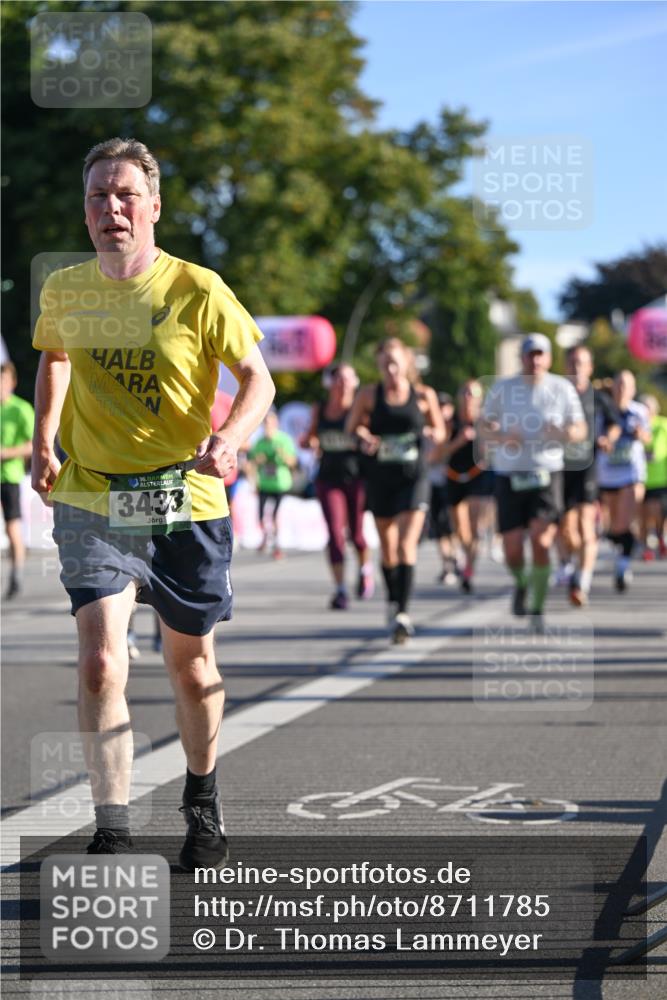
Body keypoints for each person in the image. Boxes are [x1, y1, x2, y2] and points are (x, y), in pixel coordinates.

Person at [31, 138, 275, 868]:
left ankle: (201, 796)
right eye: (98, 196)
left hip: (183, 495)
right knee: (101, 663)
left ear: (154, 205)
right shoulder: (65, 289)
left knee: (191, 667)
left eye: (125, 194)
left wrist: (229, 436)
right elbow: (56, 358)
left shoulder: (197, 289)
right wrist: (44, 438)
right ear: (86, 211)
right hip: (94, 495)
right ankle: (112, 826)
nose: (111, 208)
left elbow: (258, 380)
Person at [481, 333, 586, 631]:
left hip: (546, 473)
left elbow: (580, 429)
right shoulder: (503, 389)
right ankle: (522, 582)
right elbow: (483, 426)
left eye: (541, 354)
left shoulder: (561, 388)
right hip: (509, 474)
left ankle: (537, 609)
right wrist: (502, 437)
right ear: (522, 358)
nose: (535, 360)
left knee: (541, 541)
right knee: (513, 548)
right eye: (530, 354)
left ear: (549, 358)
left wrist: (564, 433)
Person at [346, 338, 445, 643]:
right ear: (379, 365)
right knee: (387, 548)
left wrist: (431, 434)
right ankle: (392, 599)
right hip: (381, 477)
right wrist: (364, 436)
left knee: (405, 545)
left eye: (395, 361)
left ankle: (402, 612)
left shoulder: (424, 395)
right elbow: (351, 429)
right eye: (385, 362)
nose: (391, 368)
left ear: (407, 363)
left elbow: (441, 431)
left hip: (414, 477)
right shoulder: (369, 394)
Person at [303, 363, 373, 609]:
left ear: (355, 382)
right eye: (338, 380)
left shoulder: (361, 409)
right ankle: (340, 589)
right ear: (331, 384)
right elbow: (309, 436)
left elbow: (373, 436)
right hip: (328, 478)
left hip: (356, 477)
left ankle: (366, 569)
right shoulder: (320, 409)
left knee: (356, 534)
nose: (342, 384)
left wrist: (365, 437)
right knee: (334, 533)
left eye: (347, 379)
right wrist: (310, 442)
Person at [558, 345, 621, 606]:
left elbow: (614, 423)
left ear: (590, 368)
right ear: (565, 367)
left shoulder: (598, 398)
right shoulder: (556, 396)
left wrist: (609, 438)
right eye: (572, 363)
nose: (576, 368)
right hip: (559, 467)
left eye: (581, 363)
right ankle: (569, 564)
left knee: (585, 525)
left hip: (588, 466)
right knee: (565, 529)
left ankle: (581, 581)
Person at [597, 371, 651, 591]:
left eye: (626, 386)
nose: (621, 389)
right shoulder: (603, 411)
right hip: (608, 474)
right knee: (613, 527)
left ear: (633, 389)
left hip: (631, 474)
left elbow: (647, 438)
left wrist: (641, 435)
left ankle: (623, 565)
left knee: (624, 521)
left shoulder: (639, 411)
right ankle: (625, 547)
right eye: (618, 385)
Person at [441, 379, 493, 593]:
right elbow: (439, 453)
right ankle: (464, 556)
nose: (468, 398)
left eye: (473, 394)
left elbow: (496, 451)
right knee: (460, 529)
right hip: (453, 476)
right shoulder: (450, 422)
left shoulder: (485, 422)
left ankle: (469, 570)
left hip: (477, 476)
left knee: (474, 527)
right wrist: (458, 442)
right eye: (465, 393)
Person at [0, 361, 35, 599]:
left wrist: (6, 453)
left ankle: (16, 573)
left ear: (12, 382)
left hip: (9, 475)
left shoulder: (21, 409)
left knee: (12, 526)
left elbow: (33, 444)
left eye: (3, 381)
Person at [248, 409, 297, 559]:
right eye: (266, 424)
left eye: (271, 423)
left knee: (276, 516)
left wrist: (283, 455)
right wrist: (254, 480)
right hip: (264, 483)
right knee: (261, 516)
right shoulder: (260, 442)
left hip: (280, 484)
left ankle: (277, 546)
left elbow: (293, 463)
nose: (268, 427)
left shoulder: (284, 440)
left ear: (276, 424)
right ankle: (265, 538)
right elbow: (251, 464)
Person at [427, 392, 458, 586]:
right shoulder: (430, 430)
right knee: (440, 526)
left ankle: (456, 557)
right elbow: (432, 457)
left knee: (454, 525)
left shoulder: (458, 428)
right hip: (434, 481)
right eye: (439, 407)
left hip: (455, 483)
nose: (443, 412)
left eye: (446, 407)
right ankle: (447, 564)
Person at [638, 394, 667, 559]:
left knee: (656, 512)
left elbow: (656, 453)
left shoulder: (662, 425)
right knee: (641, 516)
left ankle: (660, 538)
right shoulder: (634, 425)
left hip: (659, 479)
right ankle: (646, 546)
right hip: (638, 478)